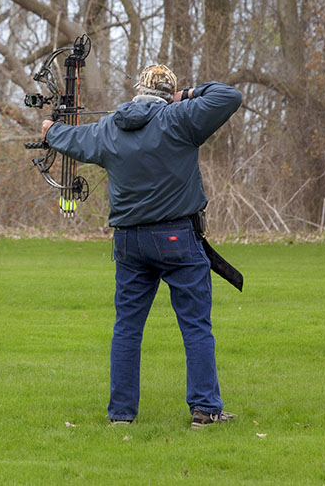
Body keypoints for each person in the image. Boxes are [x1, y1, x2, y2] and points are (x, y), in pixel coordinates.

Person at [40, 64, 242, 429]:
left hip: (129, 243)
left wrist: (51, 129)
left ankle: (121, 415)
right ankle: (205, 411)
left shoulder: (109, 128)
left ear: (138, 91)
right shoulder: (181, 118)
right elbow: (229, 96)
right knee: (195, 326)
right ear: (170, 93)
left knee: (127, 328)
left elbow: (70, 139)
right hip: (178, 237)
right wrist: (188, 95)